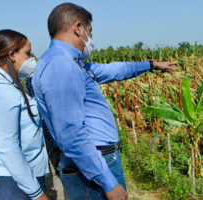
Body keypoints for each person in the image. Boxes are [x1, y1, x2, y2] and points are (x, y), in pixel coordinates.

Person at [32, 3, 176, 200]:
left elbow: (113, 70)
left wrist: (151, 65)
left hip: (98, 160)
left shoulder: (73, 63)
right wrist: (108, 182)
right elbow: (71, 133)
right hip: (94, 165)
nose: (90, 39)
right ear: (78, 28)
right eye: (89, 32)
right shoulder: (60, 65)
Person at [0, 30, 49, 200]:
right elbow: (8, 147)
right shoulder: (0, 89)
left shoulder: (9, 85)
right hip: (13, 180)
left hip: (24, 176)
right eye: (28, 53)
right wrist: (37, 194)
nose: (31, 58)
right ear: (12, 55)